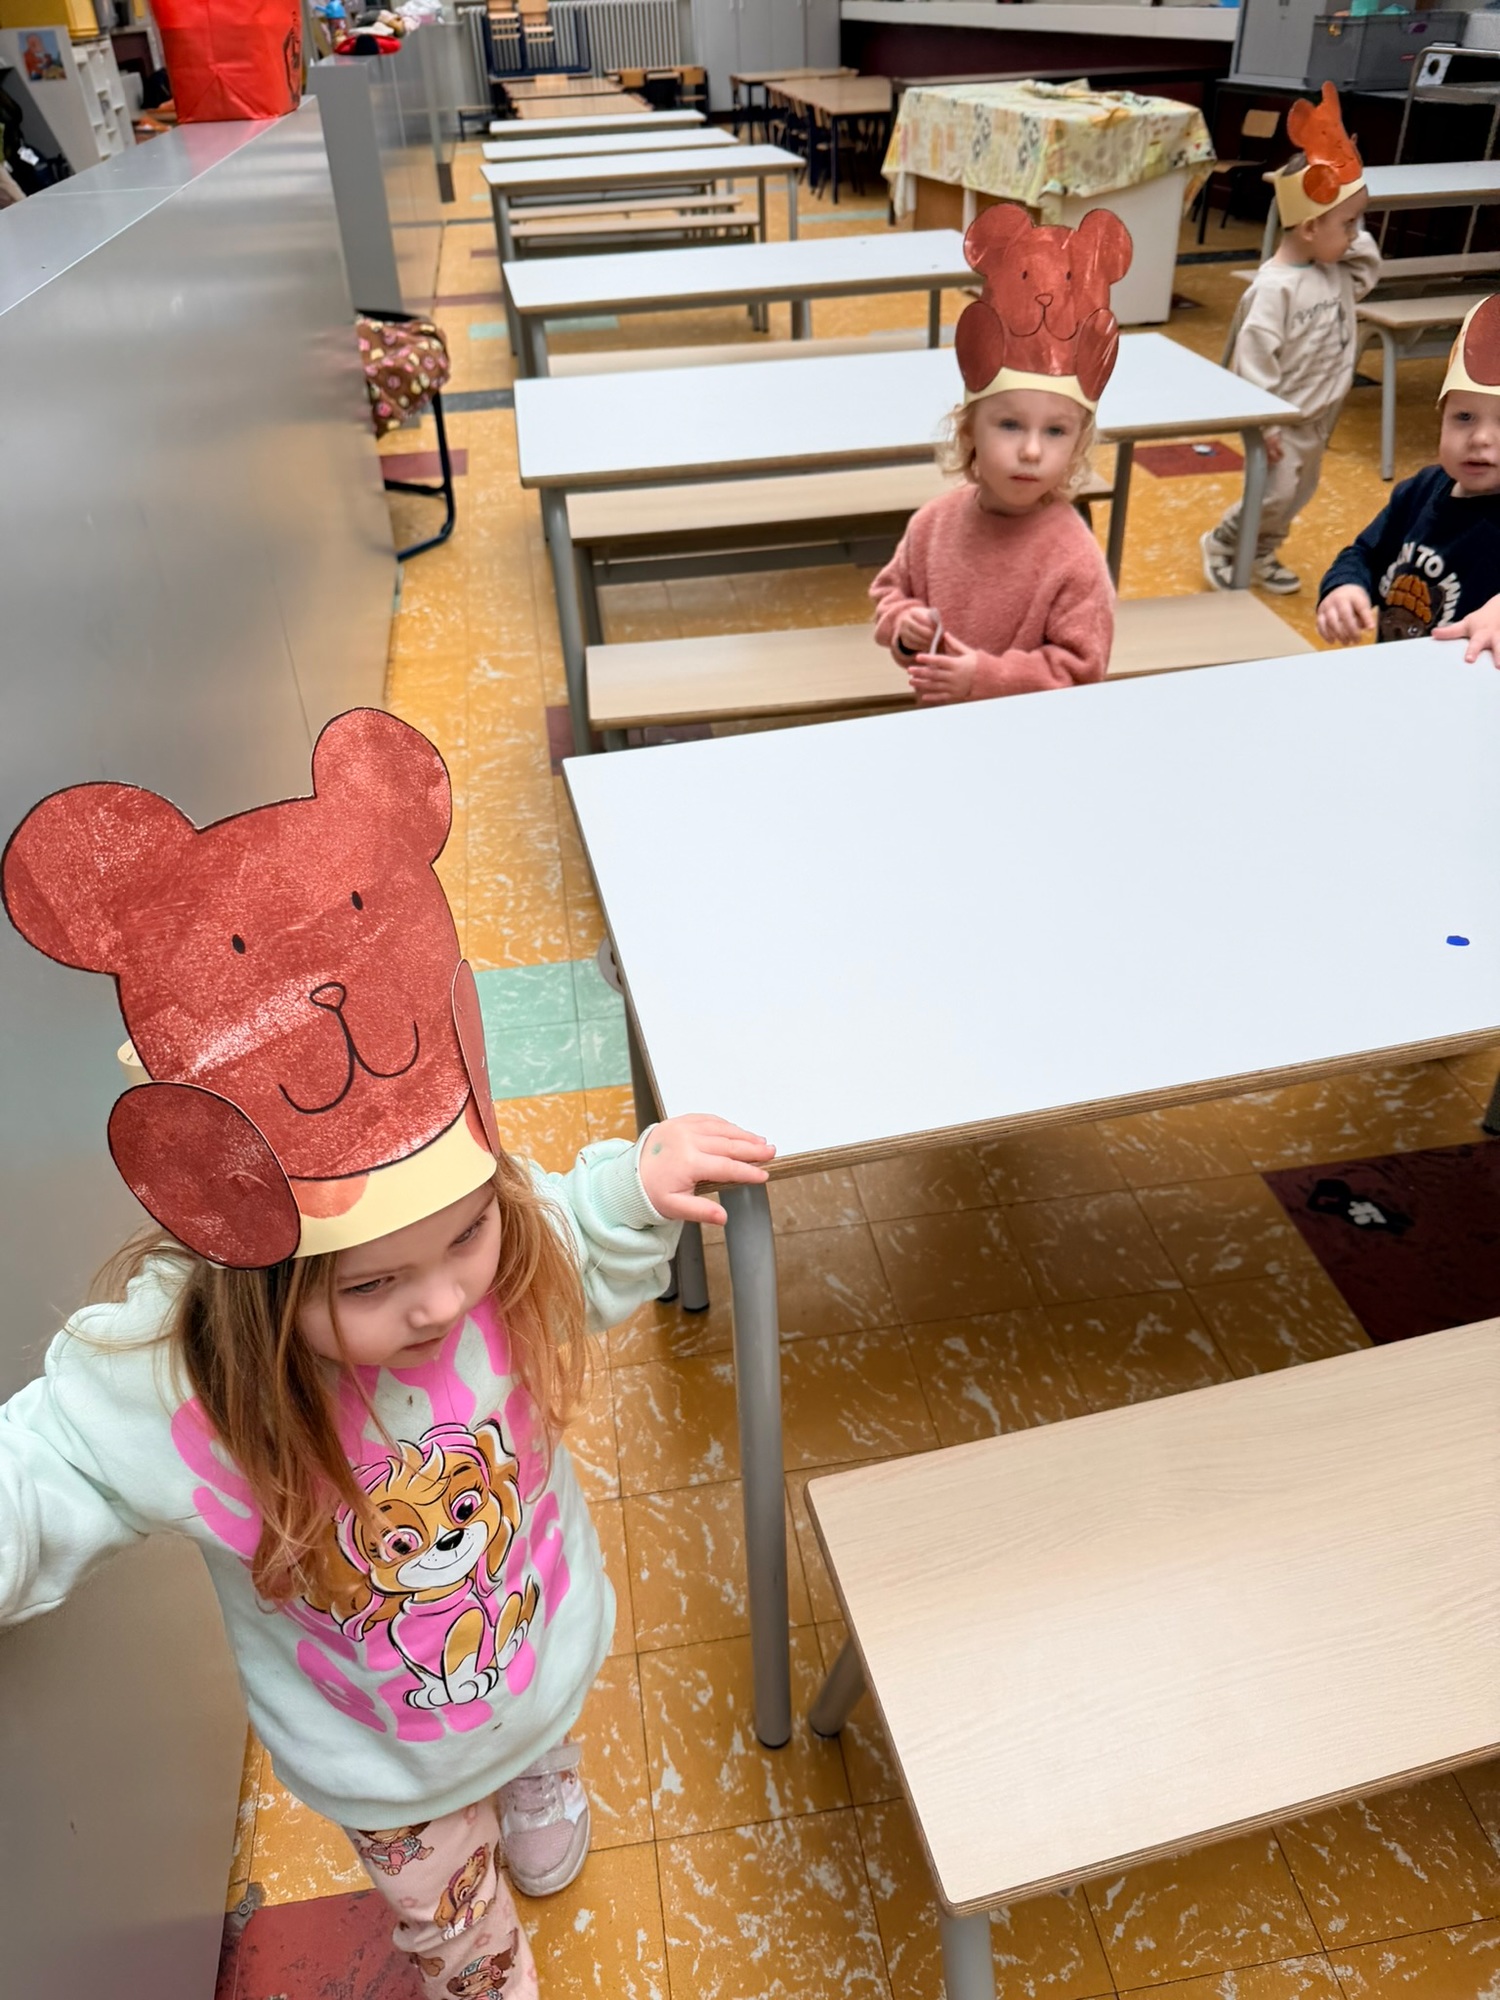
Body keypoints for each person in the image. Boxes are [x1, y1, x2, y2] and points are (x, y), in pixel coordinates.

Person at [0, 708, 774, 2000]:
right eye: (371, 1286)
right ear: (255, 1288)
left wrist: (635, 1186)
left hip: (529, 1643)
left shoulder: (490, 1256)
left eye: (466, 1235)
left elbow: (567, 1231)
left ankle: (539, 1779)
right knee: (450, 1922)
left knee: (538, 1722)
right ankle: (484, 1970)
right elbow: (53, 1461)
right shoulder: (189, 1386)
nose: (440, 1300)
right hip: (387, 1769)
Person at [870, 202, 1129, 705]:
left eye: (1056, 432)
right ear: (969, 430)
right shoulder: (932, 526)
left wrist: (984, 678)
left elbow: (1082, 672)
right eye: (1009, 424)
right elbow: (891, 593)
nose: (1031, 450)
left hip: (1030, 737)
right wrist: (905, 625)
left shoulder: (1074, 559)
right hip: (941, 722)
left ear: (1078, 444)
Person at [1200, 82, 1380, 597]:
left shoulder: (1335, 271)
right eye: (1349, 224)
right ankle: (1224, 541)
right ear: (1308, 228)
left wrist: (1349, 221)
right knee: (1273, 494)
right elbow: (1253, 356)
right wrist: (1265, 422)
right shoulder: (1274, 288)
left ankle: (1260, 550)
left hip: (1318, 416)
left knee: (1298, 493)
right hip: (1281, 420)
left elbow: (1368, 268)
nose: (1356, 235)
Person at [1317, 294, 1500, 663]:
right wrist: (1346, 586)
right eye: (1463, 417)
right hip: (1397, 673)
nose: (1480, 438)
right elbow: (1364, 553)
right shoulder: (1420, 490)